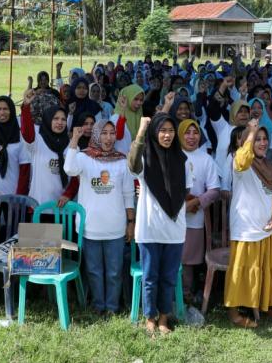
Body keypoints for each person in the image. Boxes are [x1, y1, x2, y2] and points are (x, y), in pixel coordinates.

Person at [63, 119, 135, 316]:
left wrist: (130, 223)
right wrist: (74, 140)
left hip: (116, 227)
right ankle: (98, 305)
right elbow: (69, 168)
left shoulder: (122, 160)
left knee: (114, 272)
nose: (108, 138)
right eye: (104, 133)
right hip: (90, 228)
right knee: (94, 271)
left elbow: (129, 194)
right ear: (95, 135)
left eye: (112, 133)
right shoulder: (84, 158)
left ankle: (112, 307)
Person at [128, 113, 191, 335]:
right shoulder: (145, 158)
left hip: (174, 230)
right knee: (150, 277)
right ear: (155, 133)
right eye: (162, 131)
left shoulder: (183, 161)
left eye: (171, 131)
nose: (167, 135)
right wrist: (141, 131)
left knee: (168, 277)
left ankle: (164, 318)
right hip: (149, 229)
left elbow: (186, 190)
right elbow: (132, 164)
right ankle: (150, 318)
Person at [224, 119, 272, 327]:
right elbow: (243, 158)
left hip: (266, 229)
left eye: (264, 139)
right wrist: (250, 132)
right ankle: (234, 312)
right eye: (257, 139)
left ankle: (264, 305)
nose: (262, 142)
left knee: (264, 268)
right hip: (246, 228)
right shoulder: (240, 162)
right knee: (242, 270)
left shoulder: (268, 165)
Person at [177, 118, 220, 302]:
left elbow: (215, 190)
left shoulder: (206, 158)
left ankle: (186, 294)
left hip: (194, 217)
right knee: (173, 257)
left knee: (188, 259)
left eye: (195, 133)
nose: (192, 137)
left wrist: (196, 202)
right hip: (172, 215)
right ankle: (172, 295)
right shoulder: (172, 155)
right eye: (187, 132)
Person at [20, 93, 69, 216]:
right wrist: (26, 106)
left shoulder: (71, 145)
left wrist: (68, 195)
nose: (60, 122)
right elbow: (27, 132)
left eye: (63, 119)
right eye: (55, 119)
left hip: (62, 209)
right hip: (39, 207)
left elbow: (75, 178)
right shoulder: (38, 141)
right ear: (48, 119)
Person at [112, 84, 145, 154]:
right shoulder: (115, 117)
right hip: (119, 160)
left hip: (135, 159)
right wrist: (123, 109)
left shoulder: (139, 116)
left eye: (141, 100)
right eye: (135, 99)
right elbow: (118, 136)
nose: (139, 103)